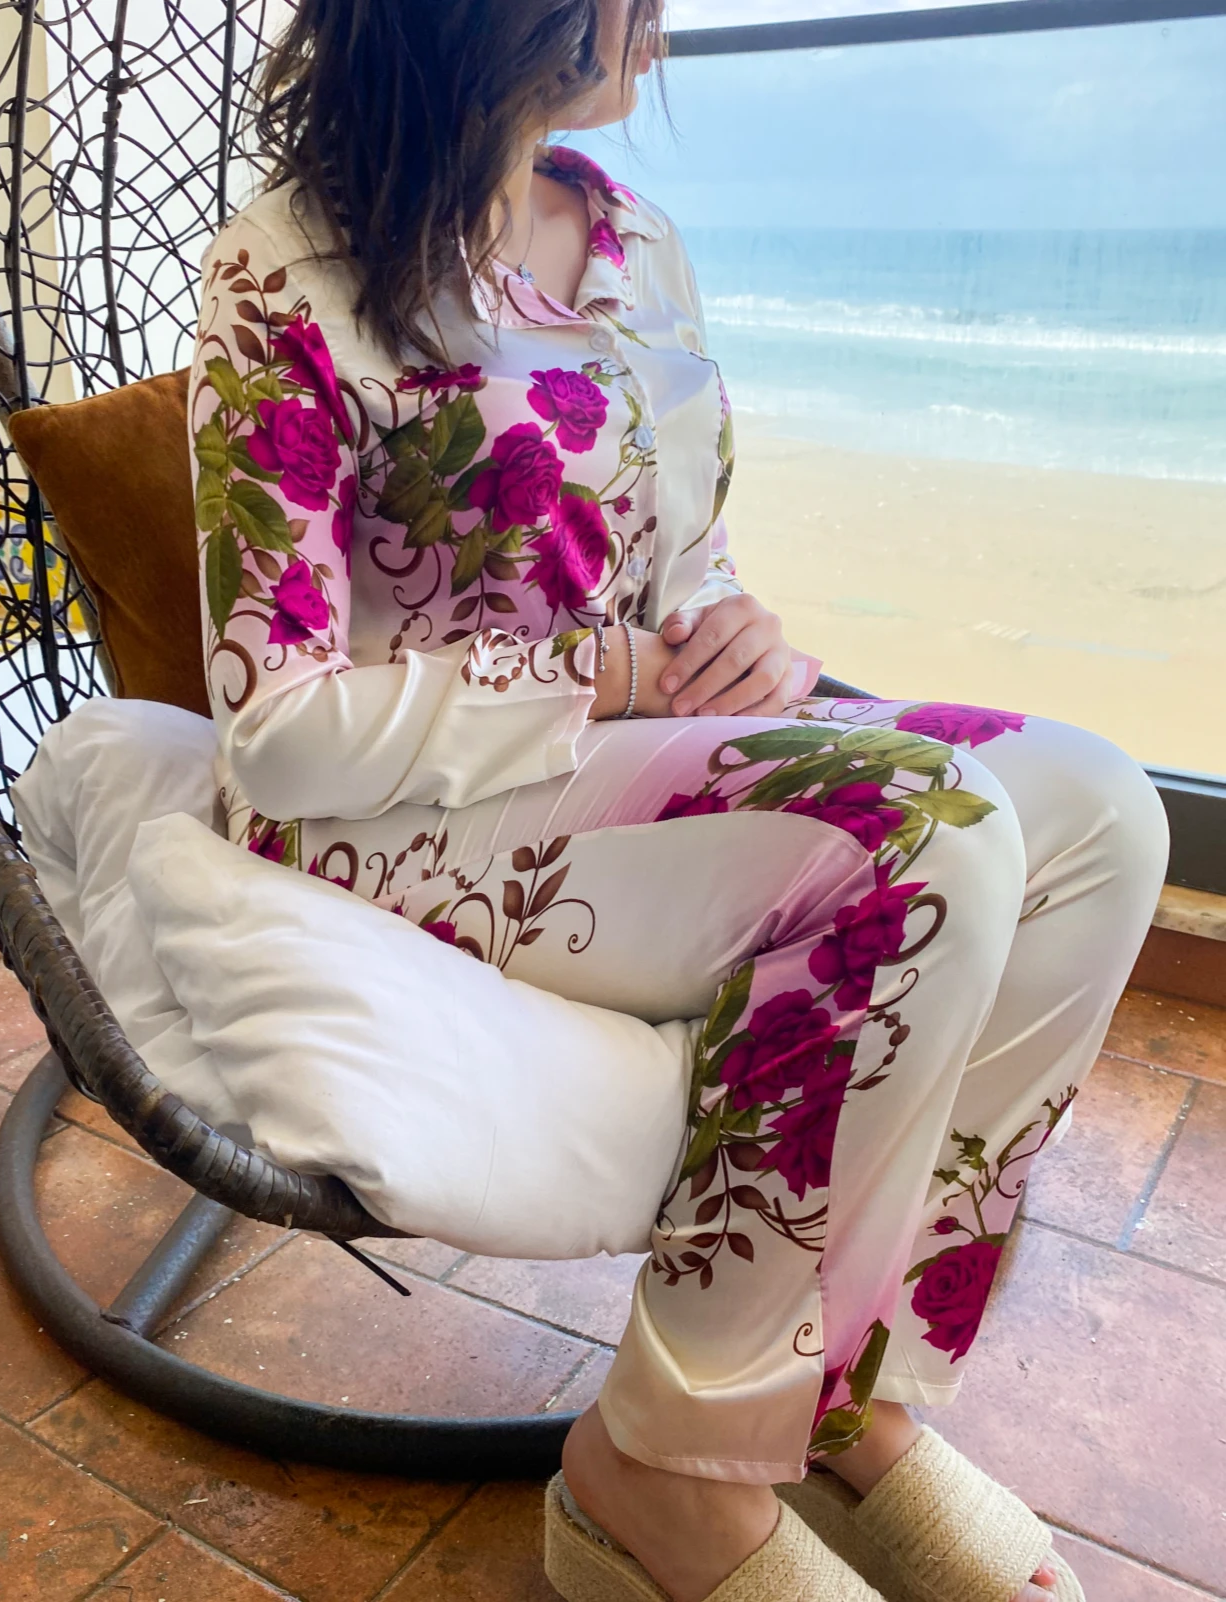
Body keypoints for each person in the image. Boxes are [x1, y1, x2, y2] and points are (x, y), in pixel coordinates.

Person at [186, 4, 1167, 1598]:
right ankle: (659, 1466)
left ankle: (832, 1387)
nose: (662, 22)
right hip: (387, 808)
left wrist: (731, 634)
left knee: (1095, 809)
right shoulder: (287, 270)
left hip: (632, 748)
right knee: (924, 834)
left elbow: (678, 561)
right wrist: (615, 674)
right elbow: (275, 728)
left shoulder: (632, 236)